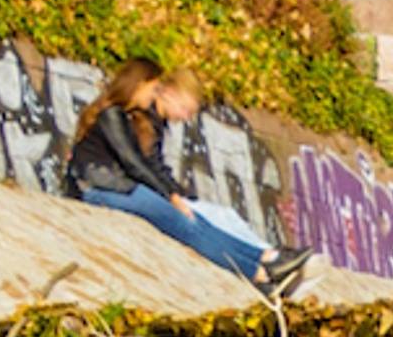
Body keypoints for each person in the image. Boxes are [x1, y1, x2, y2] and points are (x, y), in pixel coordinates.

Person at [61, 60, 290, 292]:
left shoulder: (126, 117)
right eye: (152, 88)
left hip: (118, 188)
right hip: (98, 190)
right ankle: (256, 274)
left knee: (195, 221)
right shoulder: (111, 116)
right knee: (186, 226)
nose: (153, 95)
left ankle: (263, 259)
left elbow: (140, 164)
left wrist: (172, 195)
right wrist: (170, 196)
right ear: (138, 85)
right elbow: (134, 163)